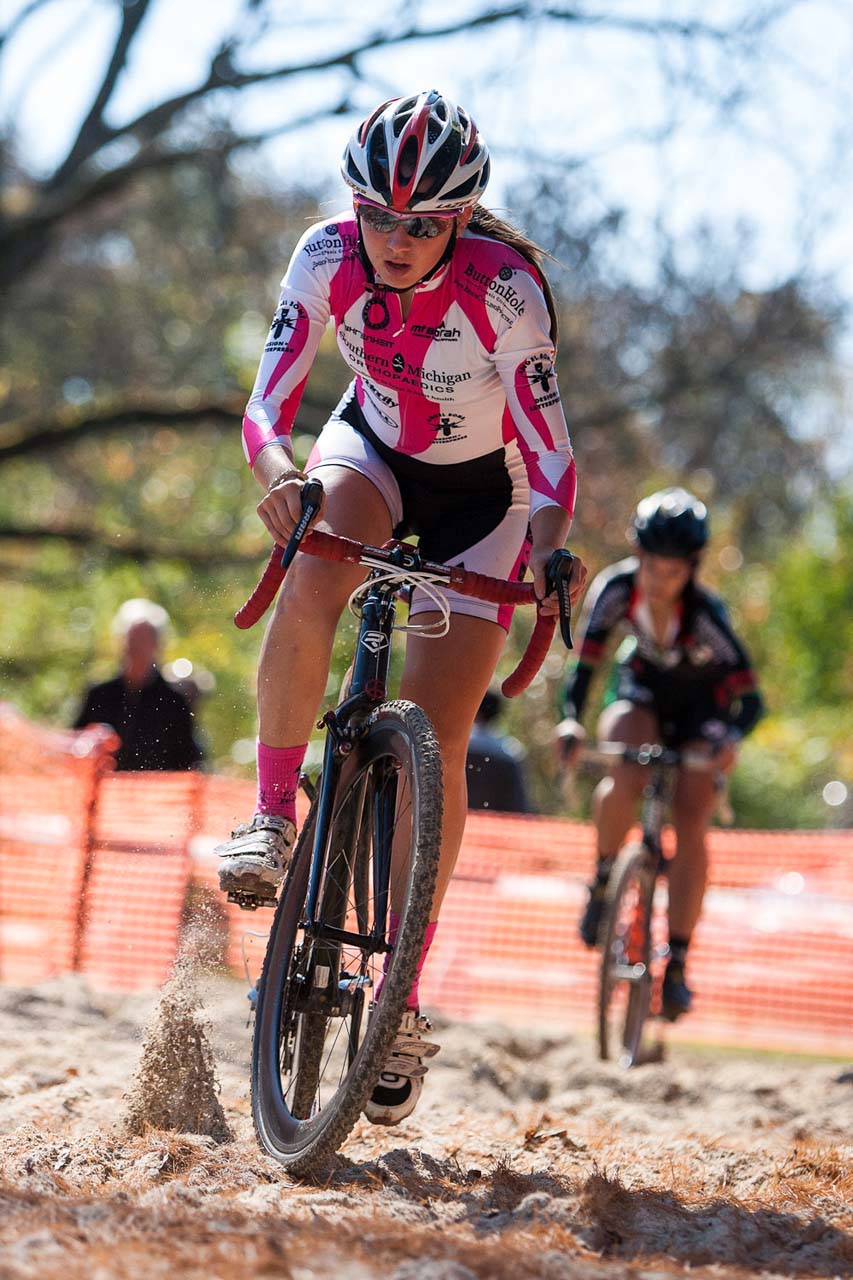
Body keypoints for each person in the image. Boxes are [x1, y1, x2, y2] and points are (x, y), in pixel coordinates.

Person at [215, 90, 587, 1124]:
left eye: (420, 223)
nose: (391, 238)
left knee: (440, 737)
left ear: (459, 221)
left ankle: (402, 994)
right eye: (376, 213)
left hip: (489, 496)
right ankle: (272, 814)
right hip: (370, 450)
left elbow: (551, 456)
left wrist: (553, 554)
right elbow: (266, 401)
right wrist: (282, 470)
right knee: (315, 561)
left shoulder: (507, 291)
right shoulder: (325, 257)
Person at [555, 488, 763, 1019]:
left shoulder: (707, 616)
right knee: (622, 753)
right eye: (651, 564)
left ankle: (679, 964)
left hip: (700, 714)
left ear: (691, 568)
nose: (660, 580)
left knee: (693, 817)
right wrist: (571, 719)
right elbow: (586, 667)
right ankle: (603, 879)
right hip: (641, 692)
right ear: (636, 553)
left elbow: (751, 699)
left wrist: (730, 741)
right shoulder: (615, 589)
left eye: (674, 571)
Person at [73, 599, 205, 772]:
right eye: (132, 639)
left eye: (143, 639)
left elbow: (188, 759)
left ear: (157, 644)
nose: (136, 647)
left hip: (158, 795)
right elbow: (75, 743)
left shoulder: (173, 701)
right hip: (102, 792)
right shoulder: (100, 694)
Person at [466, 689, 532, 813]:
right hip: (501, 822)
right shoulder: (512, 751)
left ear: (475, 710)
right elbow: (518, 801)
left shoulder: (461, 747)